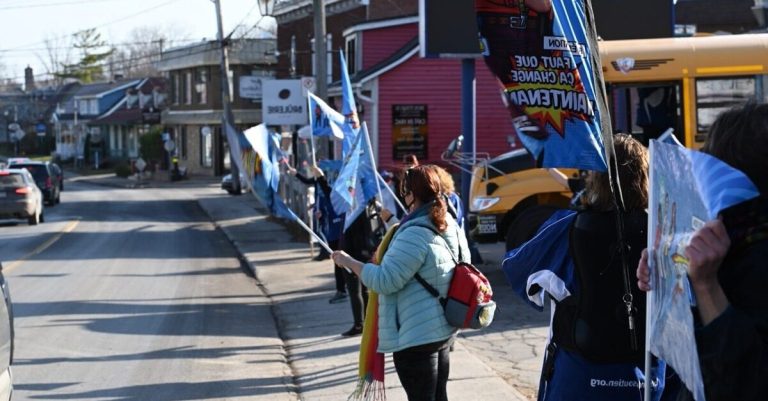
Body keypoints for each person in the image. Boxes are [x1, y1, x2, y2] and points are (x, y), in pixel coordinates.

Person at [504, 134, 663, 401]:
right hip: (649, 377)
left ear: (596, 177)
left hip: (580, 375)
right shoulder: (664, 230)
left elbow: (516, 268)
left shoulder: (568, 227)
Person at [636, 103, 768, 401]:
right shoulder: (737, 238)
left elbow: (746, 383)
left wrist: (707, 286)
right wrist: (671, 272)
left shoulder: (757, 256)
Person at [332, 165, 470, 401]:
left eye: (404, 191)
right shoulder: (448, 223)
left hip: (416, 335)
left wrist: (349, 261)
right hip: (443, 328)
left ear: (411, 195)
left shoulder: (414, 233)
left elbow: (385, 281)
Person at [288, 164, 347, 304]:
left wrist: (320, 177)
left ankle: (343, 290)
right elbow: (323, 200)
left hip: (339, 230)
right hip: (331, 230)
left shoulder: (338, 193)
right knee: (339, 261)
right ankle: (343, 289)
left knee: (342, 261)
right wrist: (318, 211)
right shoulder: (324, 191)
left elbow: (328, 192)